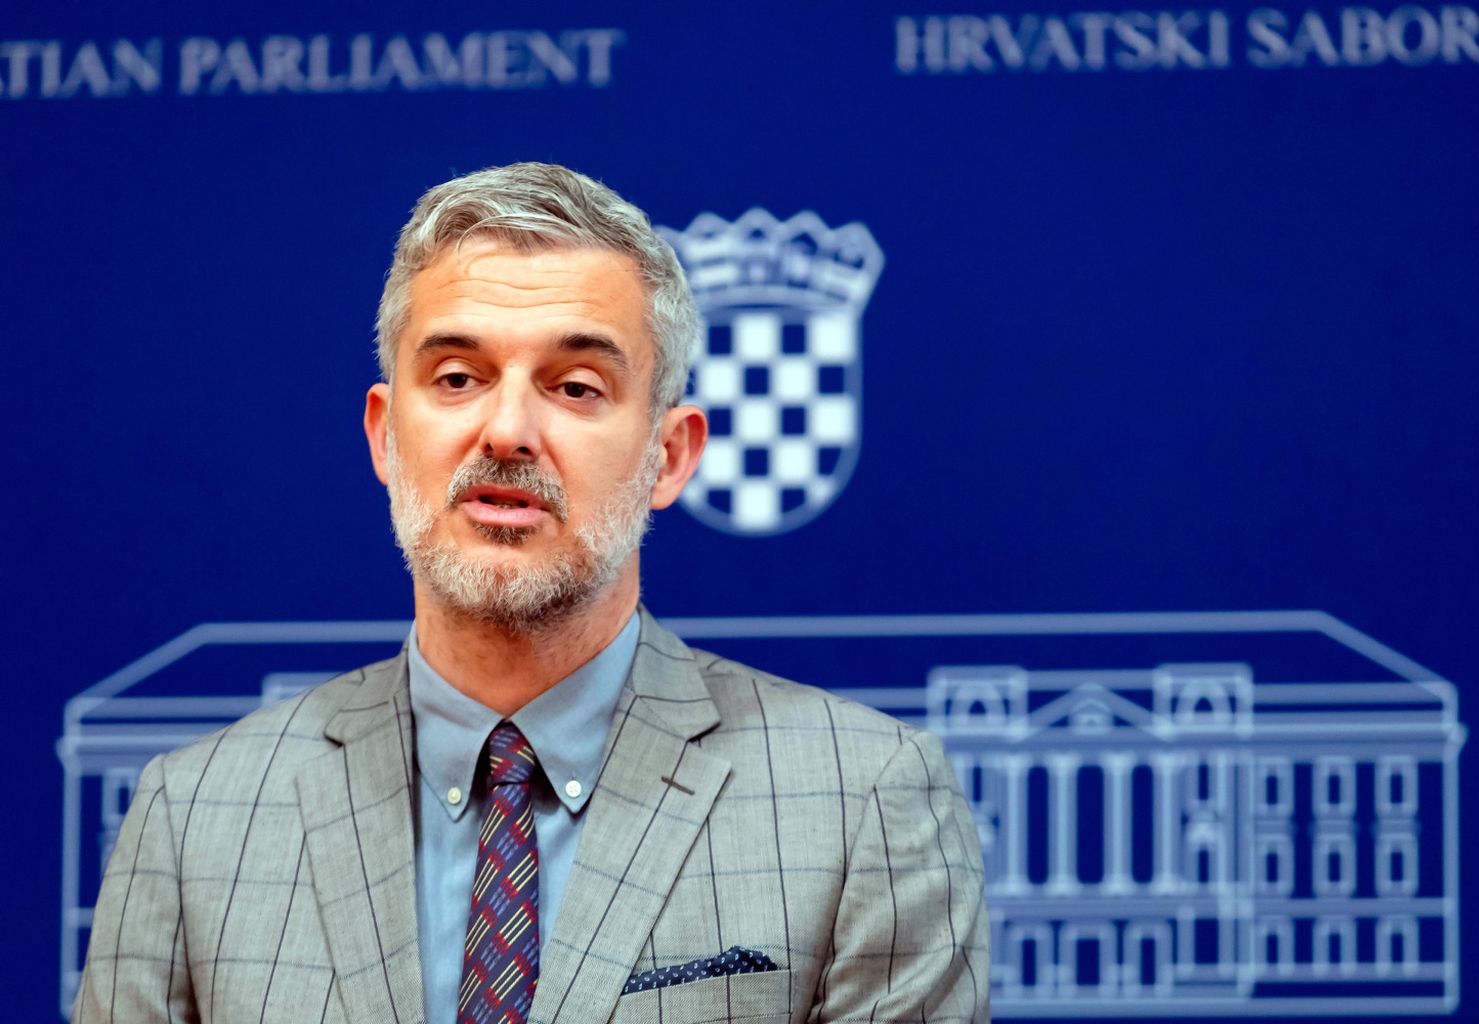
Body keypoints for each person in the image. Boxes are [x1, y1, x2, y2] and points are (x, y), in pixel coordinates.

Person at [74, 163, 989, 1024]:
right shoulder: (193, 815)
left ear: (668, 455)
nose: (507, 429)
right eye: (457, 378)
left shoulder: (863, 799)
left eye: (576, 386)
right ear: (386, 437)